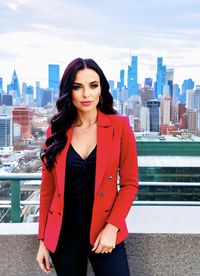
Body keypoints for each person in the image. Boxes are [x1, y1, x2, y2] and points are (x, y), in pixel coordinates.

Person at [36, 58, 138, 276]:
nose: (86, 94)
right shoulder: (55, 132)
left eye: (93, 85)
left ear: (101, 88)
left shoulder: (120, 127)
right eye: (77, 87)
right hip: (64, 237)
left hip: (105, 231)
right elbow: (48, 191)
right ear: (68, 91)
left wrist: (112, 227)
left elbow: (130, 185)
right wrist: (44, 240)